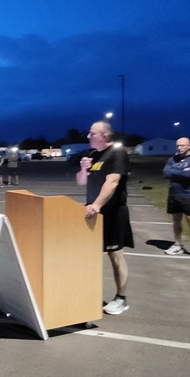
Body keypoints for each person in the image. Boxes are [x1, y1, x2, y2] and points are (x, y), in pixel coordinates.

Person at [76, 121, 134, 315]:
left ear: (105, 136)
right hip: (93, 213)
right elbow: (80, 181)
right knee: (90, 255)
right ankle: (88, 292)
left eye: (92, 133)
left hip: (112, 213)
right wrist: (84, 170)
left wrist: (97, 205)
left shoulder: (117, 153)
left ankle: (121, 298)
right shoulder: (93, 155)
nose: (88, 136)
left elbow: (113, 182)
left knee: (115, 255)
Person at [162, 137, 190, 261]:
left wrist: (175, 171)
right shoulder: (172, 159)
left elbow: (189, 174)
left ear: (189, 146)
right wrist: (181, 170)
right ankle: (177, 245)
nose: (179, 148)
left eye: (182, 145)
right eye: (178, 146)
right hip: (174, 194)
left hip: (188, 195)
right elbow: (165, 173)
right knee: (176, 221)